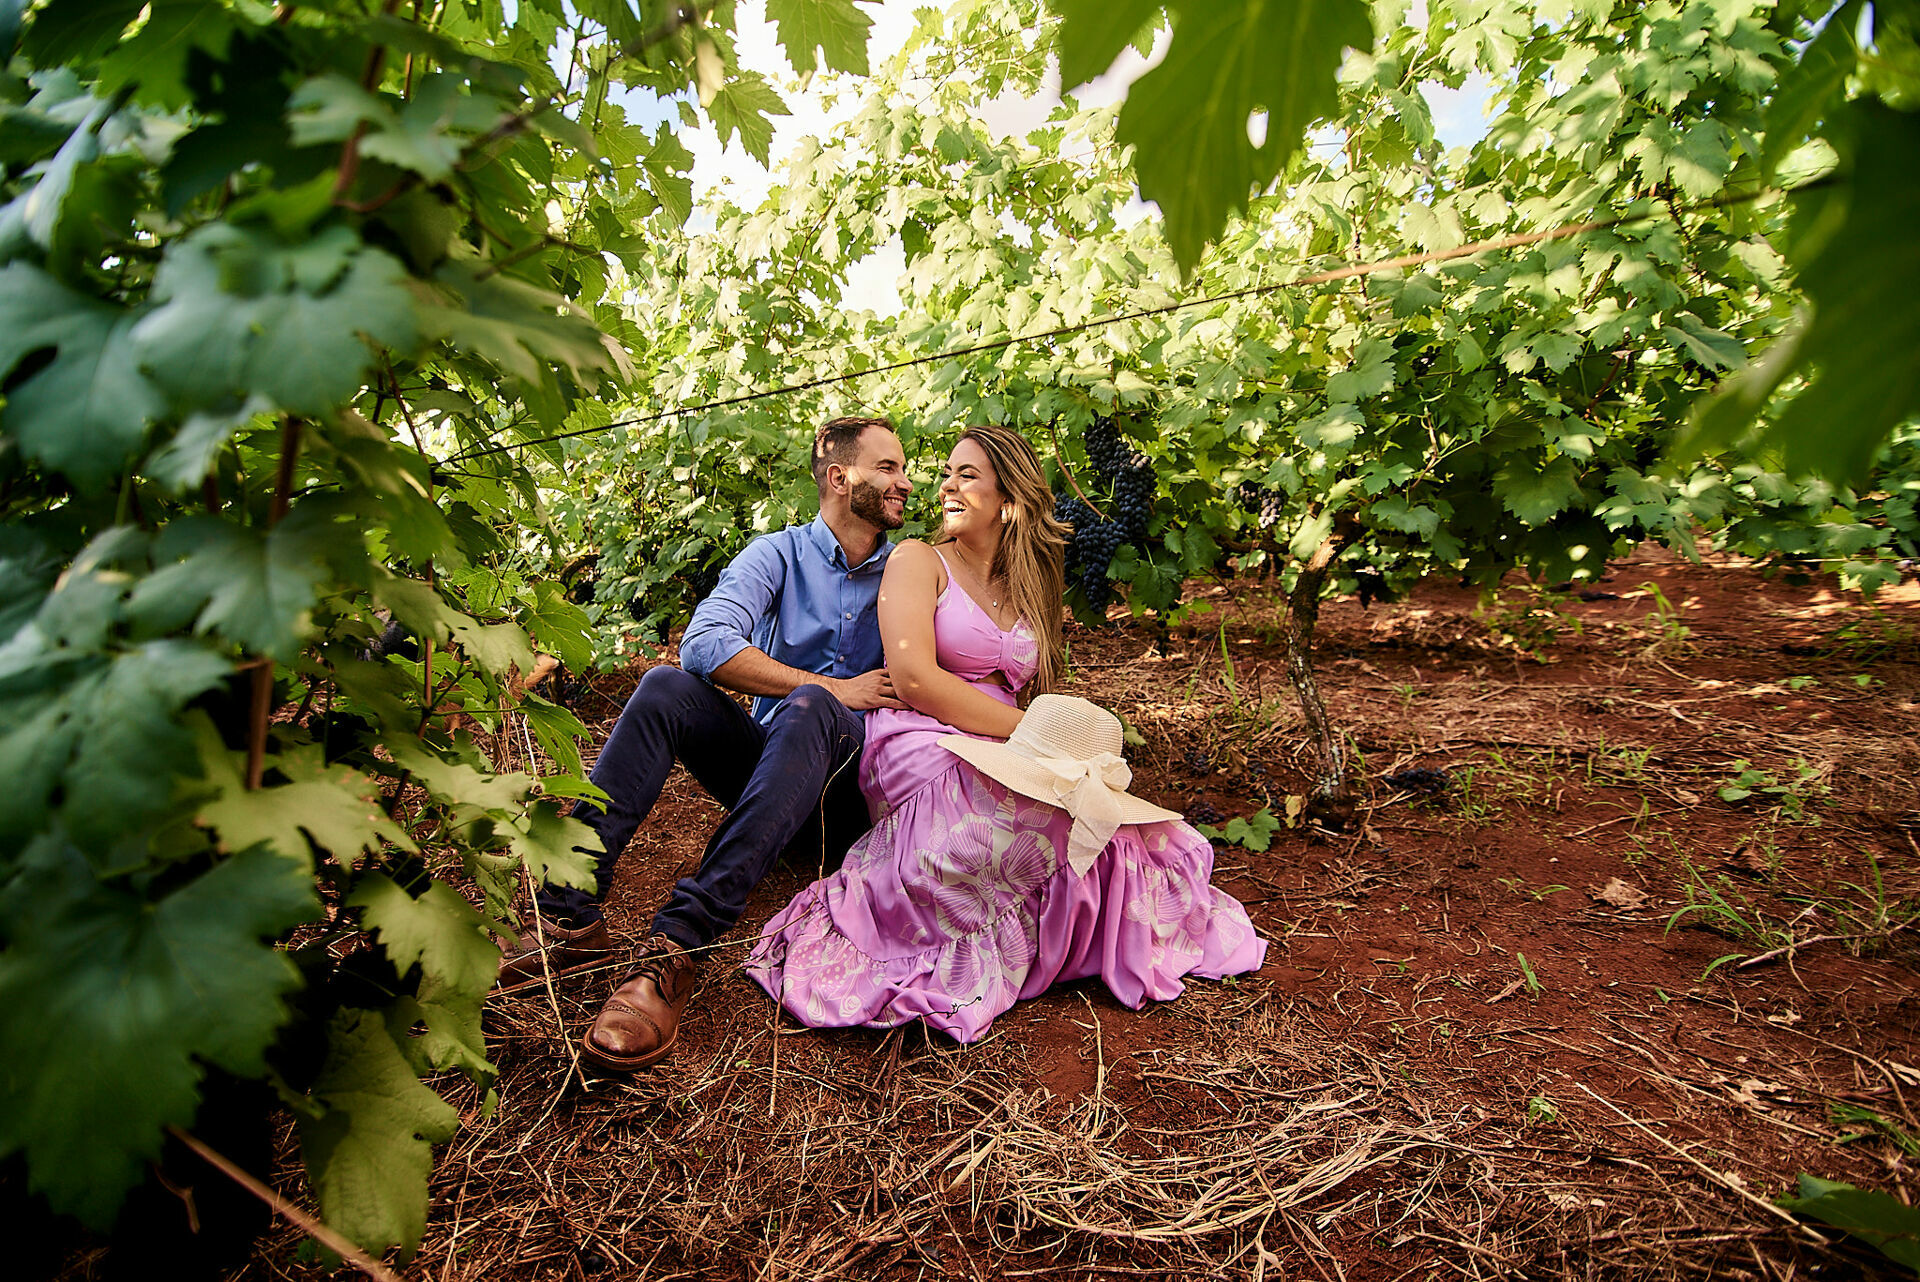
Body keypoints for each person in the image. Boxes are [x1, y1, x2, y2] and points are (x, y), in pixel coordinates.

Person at [745, 426, 1266, 1042]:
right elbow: (913, 679)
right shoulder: (918, 559)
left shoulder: (1030, 586)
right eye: (948, 472)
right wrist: (1036, 737)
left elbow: (1033, 688)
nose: (945, 485)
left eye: (967, 475)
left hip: (1011, 740)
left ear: (1009, 500)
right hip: (924, 735)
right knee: (1029, 809)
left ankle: (1076, 940)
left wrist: (1056, 747)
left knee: (1121, 825)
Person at [495, 415, 913, 1073]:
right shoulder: (779, 554)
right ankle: (568, 914)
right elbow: (705, 643)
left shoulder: (910, 570)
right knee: (666, 686)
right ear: (839, 477)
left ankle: (677, 949)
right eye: (889, 467)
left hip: (852, 800)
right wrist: (837, 686)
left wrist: (833, 700)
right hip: (769, 779)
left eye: (903, 468)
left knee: (811, 708)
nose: (905, 483)